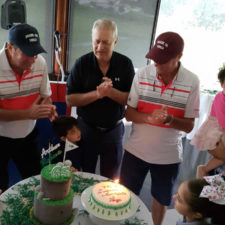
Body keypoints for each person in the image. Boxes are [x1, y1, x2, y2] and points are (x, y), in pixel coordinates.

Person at [120, 32, 200, 225]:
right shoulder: (142, 74)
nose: (156, 63)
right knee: (126, 196)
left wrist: (170, 119)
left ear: (179, 57)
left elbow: (189, 125)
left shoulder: (192, 81)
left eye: (163, 60)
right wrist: (149, 117)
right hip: (135, 151)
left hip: (168, 156)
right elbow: (129, 114)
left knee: (161, 199)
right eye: (154, 57)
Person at [66, 18, 135, 179]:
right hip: (86, 129)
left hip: (114, 130)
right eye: (97, 41)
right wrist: (97, 94)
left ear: (115, 41)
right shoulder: (81, 63)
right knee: (84, 175)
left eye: (106, 42)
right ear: (92, 39)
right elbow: (70, 99)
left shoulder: (125, 64)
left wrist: (110, 92)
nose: (100, 47)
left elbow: (132, 100)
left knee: (111, 178)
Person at [0, 24, 57, 192]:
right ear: (11, 48)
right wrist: (27, 113)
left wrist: (47, 107)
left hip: (28, 137)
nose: (33, 60)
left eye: (36, 52)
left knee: (35, 184)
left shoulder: (40, 62)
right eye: (28, 53)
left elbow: (45, 95)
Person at [191, 64, 225, 178]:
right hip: (217, 128)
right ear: (222, 84)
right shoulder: (220, 97)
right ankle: (204, 169)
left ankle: (204, 168)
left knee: (220, 157)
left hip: (221, 128)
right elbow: (222, 119)